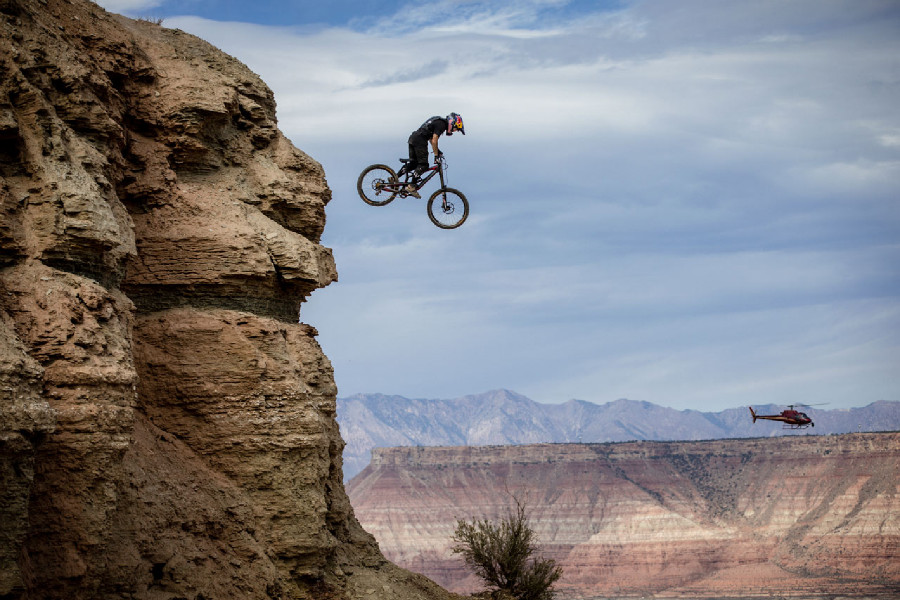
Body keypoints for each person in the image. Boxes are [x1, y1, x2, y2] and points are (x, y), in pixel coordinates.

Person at [401, 113, 465, 197]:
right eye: (456, 128)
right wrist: (436, 156)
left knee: (414, 164)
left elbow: (431, 139)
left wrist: (437, 151)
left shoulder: (438, 121)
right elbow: (434, 140)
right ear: (452, 123)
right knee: (423, 165)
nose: (455, 131)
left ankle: (394, 178)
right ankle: (411, 186)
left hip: (413, 138)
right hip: (420, 140)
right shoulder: (441, 125)